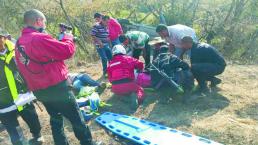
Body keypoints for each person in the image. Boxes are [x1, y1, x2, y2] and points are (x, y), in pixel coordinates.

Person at [15, 9, 96, 145]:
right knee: (76, 117)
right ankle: (87, 143)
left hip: (39, 90)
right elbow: (67, 50)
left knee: (56, 118)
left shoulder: (18, 43)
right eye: (44, 22)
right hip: (56, 87)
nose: (45, 25)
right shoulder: (38, 38)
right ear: (38, 21)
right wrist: (68, 37)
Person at [0, 29, 43, 145]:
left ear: (4, 38)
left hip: (23, 94)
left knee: (32, 118)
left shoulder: (17, 49)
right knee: (14, 133)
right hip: (3, 101)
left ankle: (37, 135)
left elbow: (28, 67)